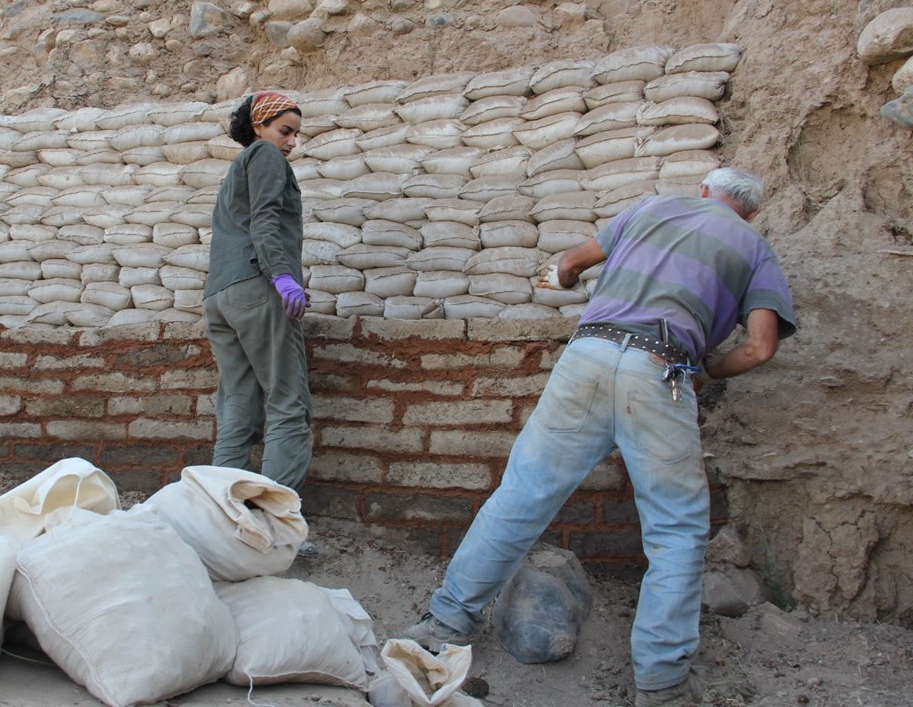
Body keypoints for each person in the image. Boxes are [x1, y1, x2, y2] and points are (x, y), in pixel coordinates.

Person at [402, 167, 796, 707]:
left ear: (705, 190)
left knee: (522, 494)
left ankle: (444, 622)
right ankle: (661, 684)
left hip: (586, 356)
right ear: (749, 212)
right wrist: (707, 370)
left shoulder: (651, 207)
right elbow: (760, 347)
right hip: (662, 368)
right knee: (676, 530)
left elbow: (567, 264)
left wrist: (556, 281)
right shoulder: (755, 247)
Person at [202, 91, 314, 531]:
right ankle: (270, 524)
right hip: (257, 287)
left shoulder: (235, 171)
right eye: (285, 131)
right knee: (288, 404)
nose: (290, 143)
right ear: (259, 128)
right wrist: (282, 276)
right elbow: (265, 220)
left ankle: (215, 517)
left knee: (238, 406)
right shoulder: (265, 156)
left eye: (295, 136)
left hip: (220, 296)